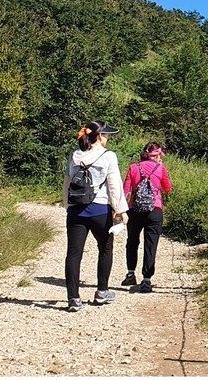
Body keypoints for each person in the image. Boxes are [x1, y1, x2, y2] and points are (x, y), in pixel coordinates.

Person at [64, 121, 129, 312]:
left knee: (73, 254)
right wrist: (120, 209)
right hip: (99, 210)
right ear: (99, 137)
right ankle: (102, 292)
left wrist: (67, 205)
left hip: (76, 211)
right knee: (106, 248)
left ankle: (73, 299)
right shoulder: (108, 156)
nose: (108, 138)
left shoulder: (74, 156)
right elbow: (114, 184)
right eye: (106, 135)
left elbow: (67, 182)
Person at [122, 142, 173, 293]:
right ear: (157, 155)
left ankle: (131, 274)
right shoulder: (160, 168)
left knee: (132, 242)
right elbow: (168, 188)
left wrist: (119, 210)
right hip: (154, 210)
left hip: (134, 209)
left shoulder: (133, 167)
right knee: (150, 244)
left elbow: (125, 190)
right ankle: (146, 280)